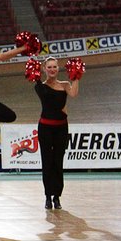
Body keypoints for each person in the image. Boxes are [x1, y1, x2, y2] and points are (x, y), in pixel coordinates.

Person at [35, 57, 79, 210]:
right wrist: (35, 77)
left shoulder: (65, 84)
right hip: (45, 128)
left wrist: (76, 76)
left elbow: (73, 94)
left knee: (58, 162)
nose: (52, 69)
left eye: (54, 66)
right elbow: (48, 101)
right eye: (49, 67)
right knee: (47, 162)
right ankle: (48, 196)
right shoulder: (40, 86)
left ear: (58, 68)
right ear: (44, 69)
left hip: (61, 128)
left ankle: (57, 197)